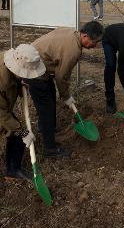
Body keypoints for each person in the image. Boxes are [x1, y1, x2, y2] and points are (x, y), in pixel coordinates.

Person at [24, 21, 104, 159]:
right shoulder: (73, 50)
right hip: (32, 69)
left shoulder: (72, 33)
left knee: (49, 99)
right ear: (85, 36)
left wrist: (63, 93)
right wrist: (66, 95)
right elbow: (61, 76)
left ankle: (47, 129)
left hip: (39, 65)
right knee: (46, 107)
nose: (95, 45)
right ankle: (50, 149)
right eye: (94, 41)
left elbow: (57, 69)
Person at [1, 44, 45, 180]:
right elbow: (1, 114)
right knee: (17, 130)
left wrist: (19, 85)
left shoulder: (8, 65)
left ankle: (12, 171)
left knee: (16, 131)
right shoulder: (2, 80)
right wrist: (21, 131)